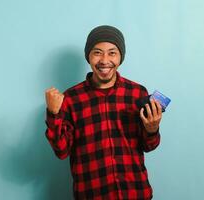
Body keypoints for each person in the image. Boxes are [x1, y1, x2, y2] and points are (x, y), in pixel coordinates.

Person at [45, 25, 162, 200]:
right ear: (89, 56)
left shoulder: (137, 93)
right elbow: (61, 151)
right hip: (91, 194)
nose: (105, 60)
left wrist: (152, 129)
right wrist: (53, 114)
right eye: (97, 52)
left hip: (135, 192)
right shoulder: (70, 98)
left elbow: (149, 146)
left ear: (120, 56)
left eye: (112, 53)